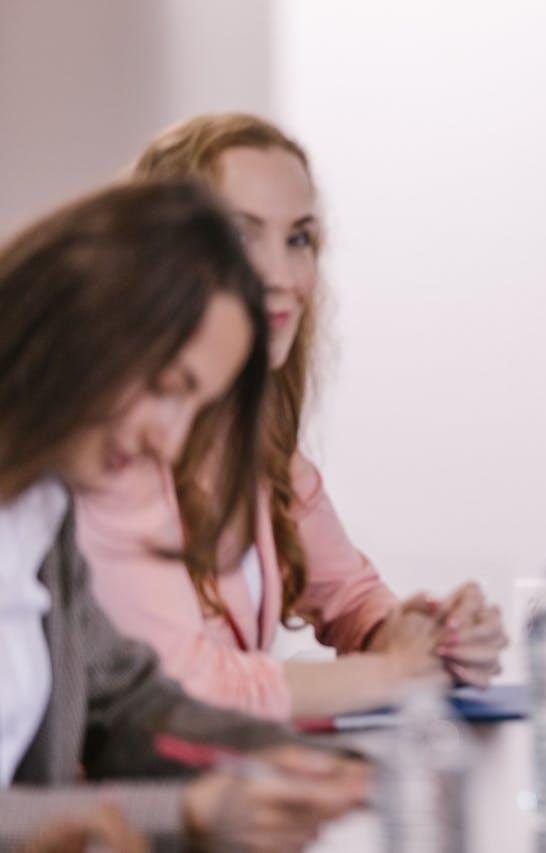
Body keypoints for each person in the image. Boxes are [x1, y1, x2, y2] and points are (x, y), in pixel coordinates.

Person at [77, 113, 507, 721]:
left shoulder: (262, 449)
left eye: (298, 239)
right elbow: (176, 686)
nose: (281, 278)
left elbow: (354, 600)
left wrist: (434, 635)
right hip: (107, 810)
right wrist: (391, 673)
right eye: (239, 237)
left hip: (227, 795)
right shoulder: (114, 446)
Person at [0, 180, 367, 850]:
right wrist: (189, 809)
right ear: (84, 324)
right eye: (169, 389)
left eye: (192, 408)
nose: (168, 442)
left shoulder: (40, 509)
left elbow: (128, 702)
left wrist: (293, 762)